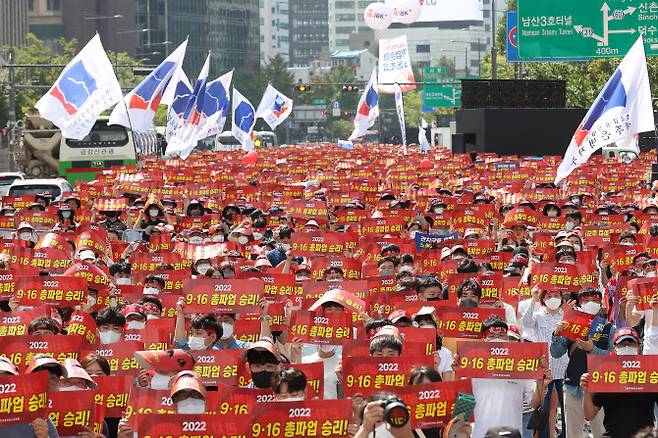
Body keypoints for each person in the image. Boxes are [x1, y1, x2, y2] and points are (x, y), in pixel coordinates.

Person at [551, 287, 615, 438]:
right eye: (586, 301)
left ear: (600, 303)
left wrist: (593, 349)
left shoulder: (609, 328)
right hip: (573, 386)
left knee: (602, 432)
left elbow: (614, 358)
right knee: (573, 433)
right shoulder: (571, 323)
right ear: (580, 303)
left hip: (601, 389)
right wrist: (556, 334)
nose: (590, 303)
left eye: (594, 301)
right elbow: (556, 353)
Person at [580, 328, 658, 438]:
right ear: (615, 347)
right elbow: (589, 414)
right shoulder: (607, 374)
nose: (627, 346)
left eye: (631, 343)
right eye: (622, 344)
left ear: (638, 346)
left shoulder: (650, 373)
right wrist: (586, 391)